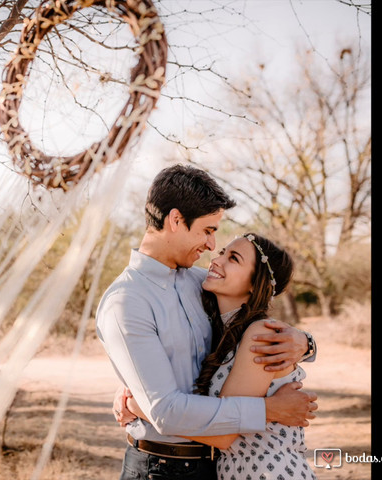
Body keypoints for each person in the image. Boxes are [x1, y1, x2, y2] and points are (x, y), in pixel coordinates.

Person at [96, 164, 318, 480]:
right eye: (208, 231)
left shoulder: (201, 281)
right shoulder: (127, 301)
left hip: (214, 464)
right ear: (175, 220)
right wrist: (269, 410)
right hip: (161, 468)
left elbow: (254, 306)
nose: (213, 248)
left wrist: (305, 342)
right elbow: (166, 411)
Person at [124, 233, 318, 480]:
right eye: (222, 252)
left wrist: (138, 405)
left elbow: (223, 433)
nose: (217, 260)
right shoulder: (225, 331)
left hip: (269, 471)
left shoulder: (263, 335)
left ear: (253, 283)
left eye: (233, 258)